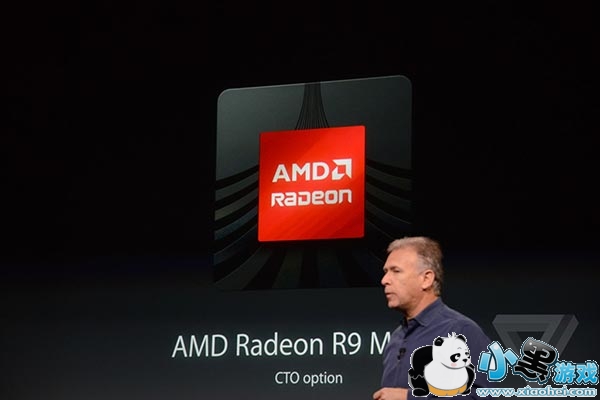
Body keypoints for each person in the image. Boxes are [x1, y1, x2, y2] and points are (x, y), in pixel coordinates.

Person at [372, 236, 493, 400]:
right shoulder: (396, 338)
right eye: (386, 272)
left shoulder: (460, 331)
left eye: (396, 271)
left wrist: (409, 398)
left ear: (426, 279)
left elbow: (481, 396)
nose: (384, 280)